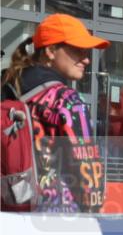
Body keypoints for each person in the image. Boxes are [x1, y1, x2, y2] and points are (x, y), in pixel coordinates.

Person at [1, 13, 109, 213]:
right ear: (51, 50)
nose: (86, 60)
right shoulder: (68, 101)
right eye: (78, 50)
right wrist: (96, 210)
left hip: (10, 214)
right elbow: (89, 177)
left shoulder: (8, 89)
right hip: (58, 220)